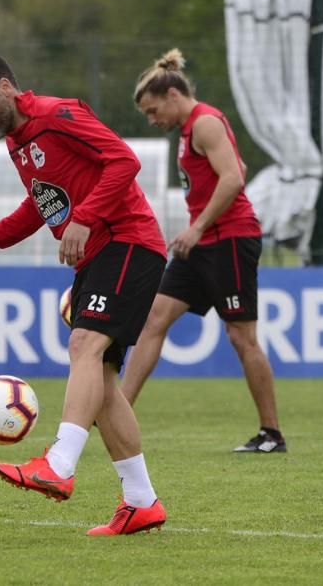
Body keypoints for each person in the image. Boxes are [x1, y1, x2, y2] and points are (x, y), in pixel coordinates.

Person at [0, 49, 168, 536]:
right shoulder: (19, 141)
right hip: (96, 253)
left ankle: (59, 465)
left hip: (128, 242)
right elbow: (44, 202)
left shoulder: (57, 115)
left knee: (84, 345)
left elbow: (124, 161)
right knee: (102, 384)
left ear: (4, 88)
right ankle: (141, 501)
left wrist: (84, 218)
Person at [124, 48, 286, 453]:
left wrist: (195, 228)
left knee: (241, 337)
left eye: (153, 109)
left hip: (230, 239)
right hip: (200, 243)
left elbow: (234, 178)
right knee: (153, 319)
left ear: (173, 95)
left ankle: (271, 434)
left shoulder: (205, 123)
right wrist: (195, 232)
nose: (152, 119)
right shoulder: (185, 131)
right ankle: (117, 409)